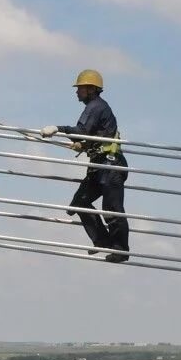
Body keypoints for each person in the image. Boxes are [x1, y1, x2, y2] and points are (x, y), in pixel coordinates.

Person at [40, 69, 130, 263]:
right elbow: (95, 135)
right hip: (100, 165)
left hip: (110, 166)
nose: (77, 91)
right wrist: (83, 145)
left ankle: (121, 250)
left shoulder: (96, 106)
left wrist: (58, 129)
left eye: (80, 88)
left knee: (112, 209)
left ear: (91, 89)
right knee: (80, 203)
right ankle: (102, 240)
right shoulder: (97, 107)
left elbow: (82, 131)